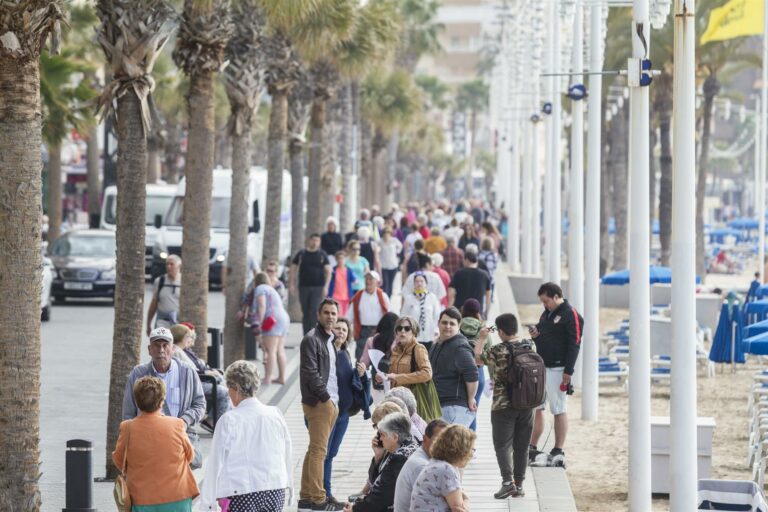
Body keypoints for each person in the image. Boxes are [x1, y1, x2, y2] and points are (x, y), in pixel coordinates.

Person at [200, 360, 293, 512]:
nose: (228, 393)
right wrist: (290, 486)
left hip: (242, 491)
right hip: (275, 488)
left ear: (236, 388)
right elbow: (286, 452)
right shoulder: (275, 414)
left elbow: (215, 464)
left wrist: (208, 505)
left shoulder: (229, 420)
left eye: (229, 388)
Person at [122, 327, 206, 468]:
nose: (161, 350)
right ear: (150, 350)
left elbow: (200, 404)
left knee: (188, 464)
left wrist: (185, 421)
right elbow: (128, 413)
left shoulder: (187, 372)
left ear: (172, 349)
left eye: (165, 345)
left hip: (181, 434)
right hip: (148, 436)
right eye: (156, 345)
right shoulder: (138, 374)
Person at [113, 376, 199, 511]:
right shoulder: (177, 424)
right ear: (162, 401)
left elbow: (119, 460)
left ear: (137, 401)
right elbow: (190, 455)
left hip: (141, 499)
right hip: (177, 496)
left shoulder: (127, 427)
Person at [474, 313, 535, 499]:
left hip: (503, 405)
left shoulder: (498, 350)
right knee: (522, 447)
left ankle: (508, 483)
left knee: (502, 445)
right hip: (527, 404)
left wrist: (482, 337)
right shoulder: (529, 346)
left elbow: (477, 359)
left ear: (500, 331)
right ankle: (520, 485)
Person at [528, 282, 583, 468]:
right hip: (542, 365)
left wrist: (568, 371)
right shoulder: (547, 313)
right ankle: (532, 446)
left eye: (546, 301)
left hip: (559, 368)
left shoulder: (571, 314)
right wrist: (536, 334)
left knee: (558, 408)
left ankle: (558, 449)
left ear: (556, 297)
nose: (544, 305)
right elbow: (543, 334)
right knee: (538, 406)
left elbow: (575, 344)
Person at [298, 299, 344, 511]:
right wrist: (326, 399)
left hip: (330, 402)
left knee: (313, 450)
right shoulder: (311, 339)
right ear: (318, 314)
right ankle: (318, 500)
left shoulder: (330, 339)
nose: (330, 316)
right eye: (326, 312)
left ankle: (306, 499)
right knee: (319, 452)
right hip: (319, 402)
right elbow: (310, 373)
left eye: (333, 313)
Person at [324, 318, 367, 506]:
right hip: (329, 413)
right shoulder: (325, 352)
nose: (341, 332)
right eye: (337, 328)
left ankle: (325, 492)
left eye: (344, 329)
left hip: (343, 414)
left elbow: (349, 381)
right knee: (324, 454)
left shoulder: (345, 353)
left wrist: (361, 374)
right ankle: (324, 493)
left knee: (331, 454)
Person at [343, 412, 419, 512]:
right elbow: (376, 483)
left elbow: (382, 497)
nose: (380, 438)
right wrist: (378, 456)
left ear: (395, 437)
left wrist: (355, 509)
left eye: (382, 434)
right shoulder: (405, 445)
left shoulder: (399, 458)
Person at [170, 323, 231, 428]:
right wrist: (206, 373)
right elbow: (189, 371)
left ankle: (216, 421)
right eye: (188, 336)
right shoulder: (176, 351)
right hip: (191, 385)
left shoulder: (183, 350)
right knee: (225, 392)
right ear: (181, 337)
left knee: (226, 387)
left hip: (196, 382)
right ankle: (215, 423)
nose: (190, 339)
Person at [429, 308, 478, 427]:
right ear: (438, 323)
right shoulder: (437, 344)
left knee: (451, 440)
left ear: (459, 326)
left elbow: (472, 374)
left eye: (452, 323)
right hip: (439, 406)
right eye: (444, 322)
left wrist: (471, 398)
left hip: (454, 408)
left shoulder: (460, 347)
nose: (447, 326)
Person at [409, 424, 475, 512]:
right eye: (471, 449)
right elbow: (459, 509)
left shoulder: (436, 463)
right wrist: (467, 500)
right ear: (461, 450)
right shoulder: (446, 470)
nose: (472, 454)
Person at [392, 419, 448, 512]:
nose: (443, 445)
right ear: (425, 439)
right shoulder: (422, 466)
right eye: (438, 440)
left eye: (447, 441)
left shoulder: (425, 456)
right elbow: (453, 502)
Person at [249, 272, 290, 385]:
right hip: (283, 318)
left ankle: (267, 378)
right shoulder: (271, 289)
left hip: (272, 320)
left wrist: (260, 323)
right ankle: (281, 377)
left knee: (270, 350)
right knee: (280, 350)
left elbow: (262, 305)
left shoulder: (260, 288)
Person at [460, 299, 491, 432]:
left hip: (459, 374)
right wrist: (493, 378)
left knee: (459, 410)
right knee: (473, 410)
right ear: (478, 312)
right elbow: (490, 356)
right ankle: (471, 443)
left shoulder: (456, 326)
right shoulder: (483, 330)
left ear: (463, 311)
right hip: (478, 374)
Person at [292, 234, 333, 335]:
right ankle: (306, 335)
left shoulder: (322, 254)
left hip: (318, 287)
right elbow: (293, 269)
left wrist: (326, 286)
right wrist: (291, 284)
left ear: (319, 242)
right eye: (313, 240)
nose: (315, 242)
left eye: (317, 241)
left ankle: (314, 334)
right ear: (309, 240)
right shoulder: (301, 254)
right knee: (305, 311)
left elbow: (328, 271)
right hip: (303, 287)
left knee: (314, 311)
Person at [348, 271, 391, 360]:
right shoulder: (358, 296)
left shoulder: (383, 296)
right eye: (366, 279)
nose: (368, 281)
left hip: (378, 331)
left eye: (371, 279)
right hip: (363, 331)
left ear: (377, 282)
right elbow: (349, 316)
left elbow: (390, 315)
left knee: (379, 359)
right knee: (360, 359)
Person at [400, 274, 441, 349]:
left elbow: (437, 315)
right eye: (417, 281)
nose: (419, 283)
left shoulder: (432, 297)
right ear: (414, 284)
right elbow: (403, 316)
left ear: (426, 283)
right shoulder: (409, 298)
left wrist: (436, 329)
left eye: (421, 281)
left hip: (429, 334)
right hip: (413, 335)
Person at [448, 251, 491, 319]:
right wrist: (486, 313)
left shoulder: (458, 273)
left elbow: (451, 293)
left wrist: (449, 309)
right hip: (477, 312)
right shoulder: (484, 275)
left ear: (466, 260)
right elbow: (488, 296)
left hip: (460, 312)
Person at [146, 255, 182, 335]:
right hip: (162, 323)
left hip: (179, 323)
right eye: (167, 264)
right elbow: (154, 304)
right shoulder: (159, 281)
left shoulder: (184, 281)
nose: (169, 267)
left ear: (179, 266)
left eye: (172, 264)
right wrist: (148, 324)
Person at [328, 250, 357, 316]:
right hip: (335, 296)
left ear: (345, 259)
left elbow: (355, 280)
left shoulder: (349, 270)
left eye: (342, 258)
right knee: (338, 315)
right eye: (338, 258)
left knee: (346, 315)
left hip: (347, 297)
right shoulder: (333, 270)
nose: (340, 260)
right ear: (336, 259)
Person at [378, 228, 402, 297]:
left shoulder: (394, 240)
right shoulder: (380, 241)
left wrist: (397, 252)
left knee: (391, 283)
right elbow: (375, 248)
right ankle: (384, 297)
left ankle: (389, 297)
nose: (386, 234)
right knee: (385, 283)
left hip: (393, 265)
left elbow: (400, 246)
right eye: (385, 233)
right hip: (383, 265)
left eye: (388, 233)